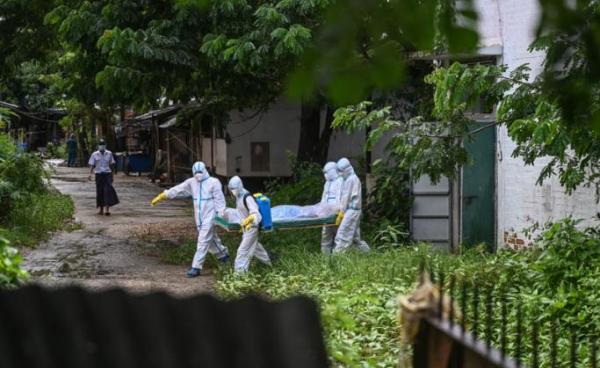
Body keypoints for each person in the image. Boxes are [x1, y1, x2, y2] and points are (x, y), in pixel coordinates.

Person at [151, 162, 230, 278]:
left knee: (203, 240)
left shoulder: (213, 182)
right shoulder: (192, 182)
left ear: (205, 171)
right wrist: (164, 195)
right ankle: (223, 256)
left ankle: (196, 267)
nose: (198, 175)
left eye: (200, 172)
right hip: (199, 216)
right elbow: (179, 189)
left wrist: (221, 213)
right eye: (196, 173)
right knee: (210, 238)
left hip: (210, 215)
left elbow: (220, 200)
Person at [227, 176, 271, 273]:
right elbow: (241, 212)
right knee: (256, 249)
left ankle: (239, 276)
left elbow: (256, 214)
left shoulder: (247, 197)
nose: (232, 191)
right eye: (231, 189)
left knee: (242, 251)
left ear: (239, 187)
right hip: (246, 228)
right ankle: (270, 263)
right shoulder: (238, 196)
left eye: (234, 189)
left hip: (252, 228)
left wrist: (250, 219)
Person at [332, 158, 371, 254]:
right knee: (355, 238)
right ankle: (368, 253)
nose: (340, 173)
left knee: (342, 234)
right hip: (354, 211)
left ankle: (337, 258)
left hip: (351, 211)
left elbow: (346, 197)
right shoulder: (351, 178)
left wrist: (341, 212)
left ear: (346, 169)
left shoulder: (351, 180)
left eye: (341, 171)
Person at [88, 139, 119, 216]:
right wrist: (89, 174)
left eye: (103, 144)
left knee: (107, 191)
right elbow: (92, 165)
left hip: (107, 174)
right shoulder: (94, 154)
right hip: (98, 175)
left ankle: (107, 210)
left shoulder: (109, 153)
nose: (102, 146)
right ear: (98, 146)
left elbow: (112, 164)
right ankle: (101, 209)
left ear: (105, 145)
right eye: (101, 145)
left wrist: (113, 175)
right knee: (100, 192)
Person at [320, 161, 343, 254]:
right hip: (326, 213)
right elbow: (324, 197)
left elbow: (340, 198)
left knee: (338, 236)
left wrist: (339, 210)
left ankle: (336, 259)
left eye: (327, 172)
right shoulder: (327, 183)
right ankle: (325, 257)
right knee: (326, 235)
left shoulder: (340, 182)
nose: (325, 174)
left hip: (337, 213)